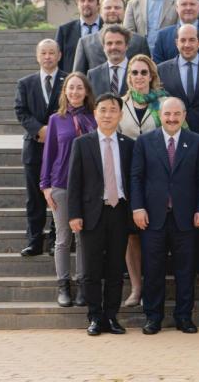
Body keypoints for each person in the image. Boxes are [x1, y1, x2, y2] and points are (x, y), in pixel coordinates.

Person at [131, 97, 199, 335]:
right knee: (153, 269)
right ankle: (153, 317)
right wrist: (137, 207)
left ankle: (184, 317)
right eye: (167, 114)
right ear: (160, 116)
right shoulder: (145, 141)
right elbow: (136, 177)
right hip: (152, 216)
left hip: (186, 217)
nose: (172, 118)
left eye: (177, 114)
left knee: (185, 270)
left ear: (184, 115)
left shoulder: (197, 141)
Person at [66, 93, 133, 336]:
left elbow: (133, 180)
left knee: (116, 268)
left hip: (119, 212)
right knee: (91, 269)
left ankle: (111, 316)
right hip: (91, 213)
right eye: (103, 110)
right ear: (95, 114)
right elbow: (74, 182)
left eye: (113, 110)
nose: (107, 115)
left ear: (120, 115)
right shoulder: (82, 143)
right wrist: (74, 214)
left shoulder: (129, 145)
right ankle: (94, 317)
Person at [40, 72, 96, 308]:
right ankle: (63, 284)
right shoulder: (56, 119)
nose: (75, 92)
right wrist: (45, 186)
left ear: (86, 91)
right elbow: (49, 154)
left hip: (87, 186)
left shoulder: (94, 117)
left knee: (83, 237)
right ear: (65, 92)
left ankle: (83, 283)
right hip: (61, 184)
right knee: (63, 238)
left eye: (79, 88)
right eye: (71, 88)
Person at [117, 53, 168, 306]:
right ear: (129, 77)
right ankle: (137, 288)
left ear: (152, 76)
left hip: (160, 178)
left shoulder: (164, 103)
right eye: (134, 72)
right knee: (132, 236)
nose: (139, 76)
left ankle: (155, 287)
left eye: (144, 72)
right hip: (129, 177)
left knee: (157, 234)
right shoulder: (119, 104)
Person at [14, 39, 66, 256]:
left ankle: (56, 240)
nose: (47, 56)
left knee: (58, 194)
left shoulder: (68, 81)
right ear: (37, 56)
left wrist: (54, 132)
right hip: (34, 146)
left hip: (61, 147)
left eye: (51, 52)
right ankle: (34, 241)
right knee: (34, 197)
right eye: (43, 53)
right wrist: (39, 130)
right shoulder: (25, 83)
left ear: (59, 55)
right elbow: (21, 110)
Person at [73, 0, 150, 73]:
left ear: (124, 11)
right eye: (108, 8)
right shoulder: (85, 43)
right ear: (100, 11)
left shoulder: (140, 42)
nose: (112, 10)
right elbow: (78, 76)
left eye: (117, 8)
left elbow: (148, 73)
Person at [55, 0, 102, 73]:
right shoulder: (64, 31)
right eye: (82, 0)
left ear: (98, 3)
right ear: (77, 2)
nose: (86, 4)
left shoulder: (107, 29)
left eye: (90, 0)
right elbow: (57, 62)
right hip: (72, 80)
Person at [85, 25, 132, 96]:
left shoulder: (137, 72)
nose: (114, 47)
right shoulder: (93, 75)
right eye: (109, 43)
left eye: (118, 43)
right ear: (104, 47)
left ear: (127, 46)